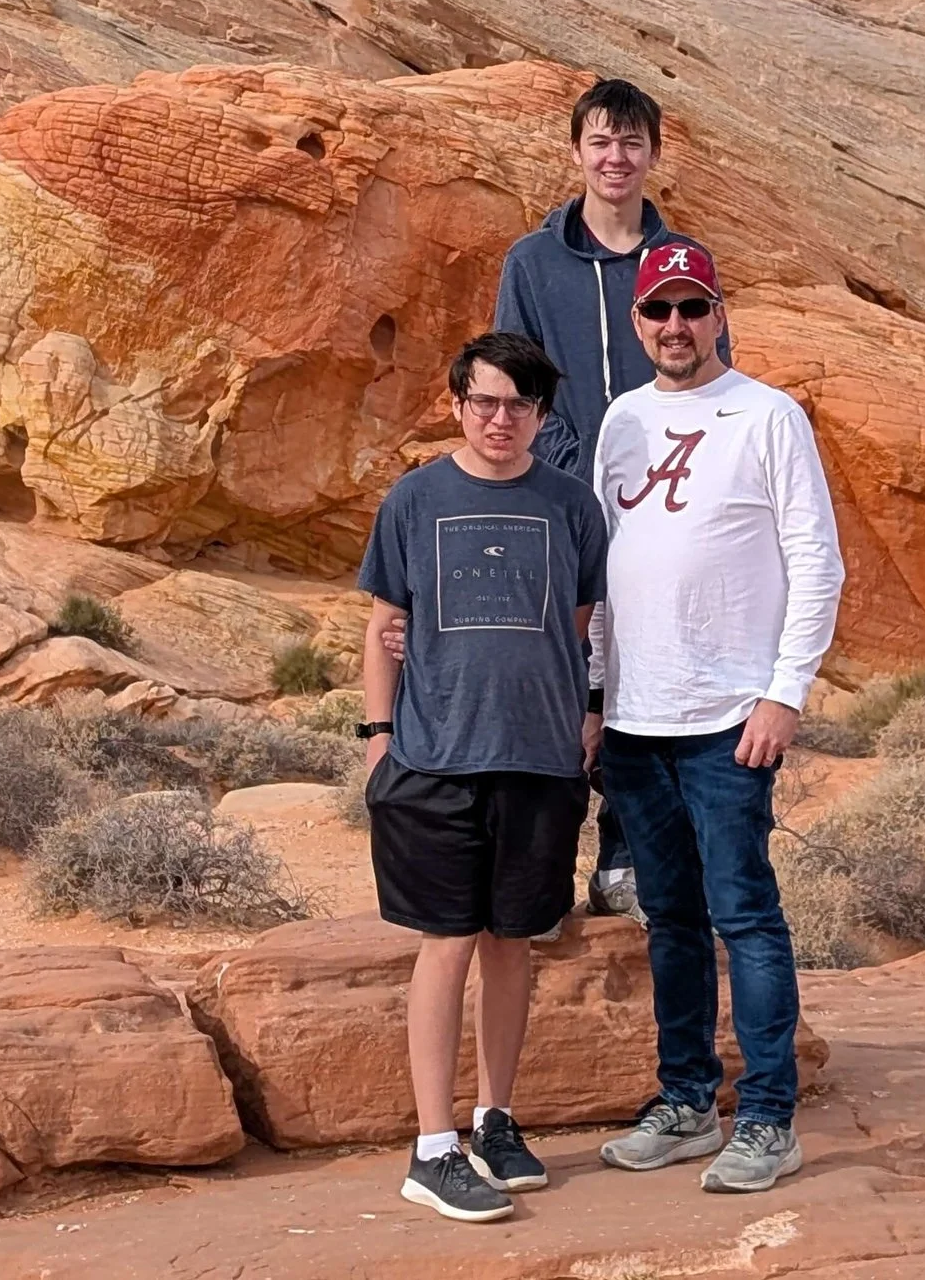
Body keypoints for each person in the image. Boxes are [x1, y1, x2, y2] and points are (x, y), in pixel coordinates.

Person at [588, 240, 844, 1195]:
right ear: (638, 322)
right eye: (660, 310)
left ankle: (769, 1117)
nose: (677, 326)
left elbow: (816, 560)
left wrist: (785, 692)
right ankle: (689, 1101)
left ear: (719, 314)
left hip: (730, 717)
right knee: (672, 920)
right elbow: (608, 571)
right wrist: (596, 695)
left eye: (694, 308)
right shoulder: (622, 421)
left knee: (746, 913)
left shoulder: (769, 417)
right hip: (636, 722)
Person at [356, 330, 610, 1224]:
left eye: (520, 405)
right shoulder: (416, 499)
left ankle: (495, 1120)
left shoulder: (571, 506)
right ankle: (432, 1148)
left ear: (543, 416)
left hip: (538, 761)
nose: (501, 419)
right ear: (458, 402)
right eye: (485, 401)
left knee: (513, 945)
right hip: (435, 758)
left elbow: (578, 627)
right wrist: (380, 739)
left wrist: (585, 717)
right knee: (446, 943)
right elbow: (385, 622)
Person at [488, 76, 728, 923]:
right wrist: (564, 469)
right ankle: (544, 863)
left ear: (654, 154)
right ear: (577, 150)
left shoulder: (679, 263)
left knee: (644, 675)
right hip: (561, 500)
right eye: (600, 141)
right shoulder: (534, 260)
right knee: (559, 672)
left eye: (631, 143)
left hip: (663, 506)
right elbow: (513, 377)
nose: (615, 158)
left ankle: (624, 857)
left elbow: (709, 375)